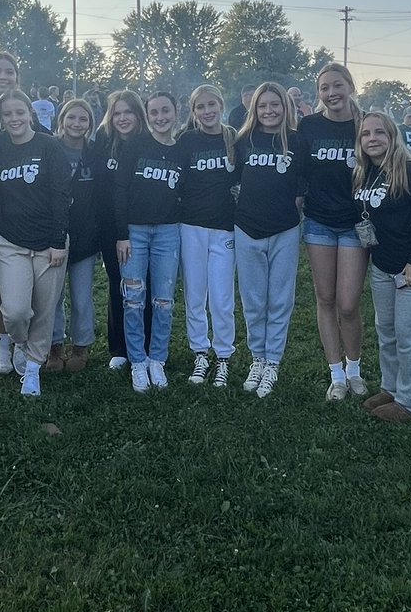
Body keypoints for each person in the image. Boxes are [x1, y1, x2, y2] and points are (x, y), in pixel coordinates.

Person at [352, 112, 411, 422]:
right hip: (383, 266)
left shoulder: (410, 170)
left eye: (380, 132)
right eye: (366, 134)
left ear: (393, 137)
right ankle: (390, 388)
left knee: (410, 336)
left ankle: (408, 402)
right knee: (386, 331)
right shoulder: (365, 172)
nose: (372, 139)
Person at [295, 62, 368, 401]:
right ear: (318, 93)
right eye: (324, 88)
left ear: (350, 86)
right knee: (325, 299)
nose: (331, 93)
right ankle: (336, 374)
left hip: (356, 224)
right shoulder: (308, 125)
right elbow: (298, 173)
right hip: (319, 222)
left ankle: (355, 368)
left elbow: (390, 163)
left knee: (349, 304)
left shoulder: (366, 124)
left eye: (337, 85)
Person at [0, 88, 72, 397]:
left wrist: (57, 241)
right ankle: (21, 345)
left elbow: (60, 195)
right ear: (2, 119)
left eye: (19, 112)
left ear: (30, 113)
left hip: (49, 243)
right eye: (8, 114)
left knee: (43, 310)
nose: (14, 118)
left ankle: (34, 368)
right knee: (15, 311)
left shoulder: (48, 146)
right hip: (11, 242)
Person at [233, 81, 301, 398]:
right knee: (253, 301)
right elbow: (229, 178)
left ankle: (273, 362)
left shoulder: (296, 141)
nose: (269, 110)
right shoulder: (243, 139)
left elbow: (309, 183)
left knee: (279, 301)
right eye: (263, 105)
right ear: (254, 109)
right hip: (247, 228)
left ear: (285, 108)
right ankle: (257, 359)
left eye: (275, 104)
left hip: (285, 229)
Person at [115, 91, 183, 393]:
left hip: (168, 231)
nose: (160, 117)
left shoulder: (182, 150)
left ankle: (158, 358)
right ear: (148, 115)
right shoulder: (135, 146)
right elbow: (119, 191)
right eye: (154, 112)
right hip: (135, 232)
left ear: (175, 112)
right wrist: (121, 234)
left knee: (164, 300)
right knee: (133, 299)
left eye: (165, 111)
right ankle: (138, 361)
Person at [177, 84, 237, 388]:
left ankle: (223, 355)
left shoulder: (232, 138)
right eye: (200, 107)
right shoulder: (185, 141)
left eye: (212, 104)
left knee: (222, 296)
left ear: (221, 105)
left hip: (224, 228)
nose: (207, 111)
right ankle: (200, 352)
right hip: (191, 228)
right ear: (193, 111)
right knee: (195, 294)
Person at [93, 89, 150, 370]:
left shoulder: (149, 142)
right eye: (117, 113)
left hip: (143, 225)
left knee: (145, 285)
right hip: (110, 227)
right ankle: (119, 346)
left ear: (139, 114)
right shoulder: (103, 142)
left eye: (128, 112)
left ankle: (146, 343)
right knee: (120, 285)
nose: (123, 118)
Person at [48, 98, 99, 373]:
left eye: (83, 119)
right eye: (71, 118)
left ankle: (81, 346)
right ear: (62, 119)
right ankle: (54, 347)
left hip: (86, 236)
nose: (76, 124)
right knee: (53, 297)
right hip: (55, 235)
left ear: (90, 124)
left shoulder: (94, 152)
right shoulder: (50, 148)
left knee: (81, 297)